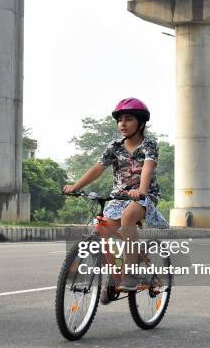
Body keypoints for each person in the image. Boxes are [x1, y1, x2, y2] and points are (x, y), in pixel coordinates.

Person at [62, 97, 168, 300]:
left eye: (128, 119)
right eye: (120, 120)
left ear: (141, 123)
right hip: (118, 198)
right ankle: (113, 280)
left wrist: (141, 190)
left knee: (129, 216)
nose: (122, 124)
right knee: (100, 229)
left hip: (143, 197)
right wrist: (75, 186)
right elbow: (97, 168)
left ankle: (130, 274)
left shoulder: (149, 145)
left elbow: (147, 167)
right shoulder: (114, 146)